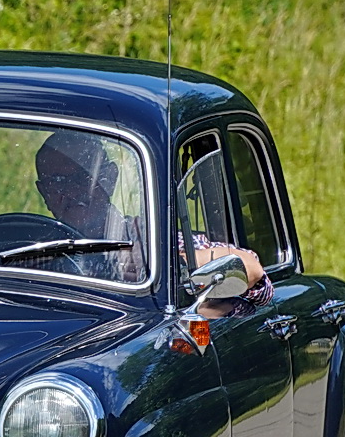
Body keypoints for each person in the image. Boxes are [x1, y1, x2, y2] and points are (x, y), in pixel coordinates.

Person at [34, 131, 272, 315]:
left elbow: (253, 271)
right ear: (43, 191)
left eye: (80, 178)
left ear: (110, 177)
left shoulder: (150, 243)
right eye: (55, 183)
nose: (69, 192)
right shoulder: (28, 249)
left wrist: (177, 266)